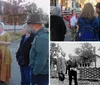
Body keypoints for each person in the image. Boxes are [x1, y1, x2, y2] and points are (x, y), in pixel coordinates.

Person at [26, 12, 49, 85]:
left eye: (29, 26)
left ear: (32, 25)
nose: (29, 28)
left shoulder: (41, 37)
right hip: (41, 72)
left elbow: (41, 58)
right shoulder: (40, 35)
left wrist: (35, 72)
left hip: (40, 74)